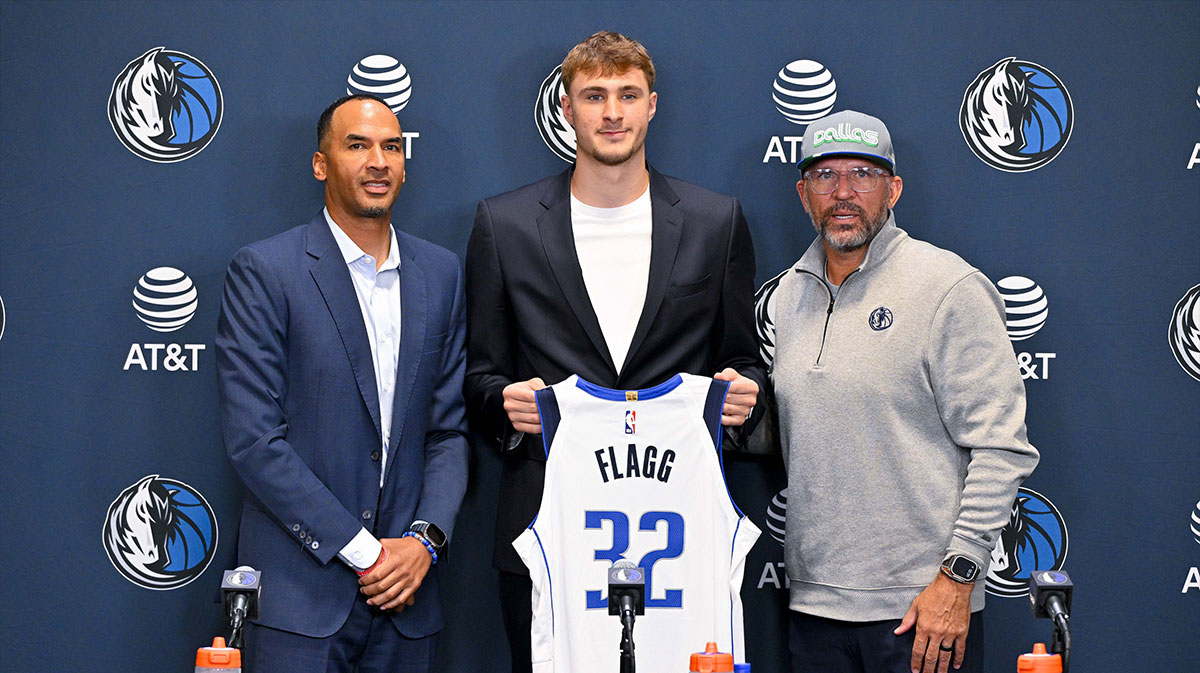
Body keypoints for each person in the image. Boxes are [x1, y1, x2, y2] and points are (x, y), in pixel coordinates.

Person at [463, 31, 767, 673]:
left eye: (628, 95)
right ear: (566, 108)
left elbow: (746, 362)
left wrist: (746, 394)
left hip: (680, 531)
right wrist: (504, 404)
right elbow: (479, 376)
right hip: (548, 524)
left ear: (652, 106)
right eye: (594, 96)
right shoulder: (505, 223)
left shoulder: (716, 221)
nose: (613, 112)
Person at [756, 110, 1040, 673]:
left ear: (893, 189)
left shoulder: (948, 287)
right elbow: (806, 424)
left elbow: (1001, 448)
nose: (843, 192)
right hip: (813, 606)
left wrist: (957, 579)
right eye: (825, 176)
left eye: (862, 174)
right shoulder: (787, 296)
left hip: (921, 610)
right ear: (803, 193)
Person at [216, 94, 468, 673]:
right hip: (298, 605)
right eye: (357, 145)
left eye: (391, 147)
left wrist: (423, 543)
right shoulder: (266, 271)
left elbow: (449, 433)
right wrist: (366, 552)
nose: (377, 161)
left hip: (410, 603)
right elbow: (254, 441)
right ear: (321, 163)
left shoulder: (441, 273)